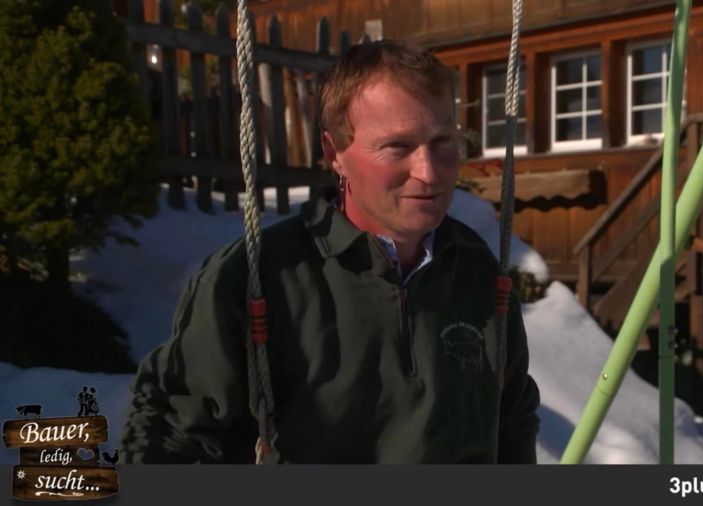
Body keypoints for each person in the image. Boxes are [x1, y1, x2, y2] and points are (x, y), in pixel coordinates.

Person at [120, 40, 540, 464]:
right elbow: (167, 436)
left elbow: (513, 421)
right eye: (397, 147)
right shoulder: (257, 280)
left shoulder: (480, 272)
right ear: (333, 153)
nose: (428, 171)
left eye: (442, 141)